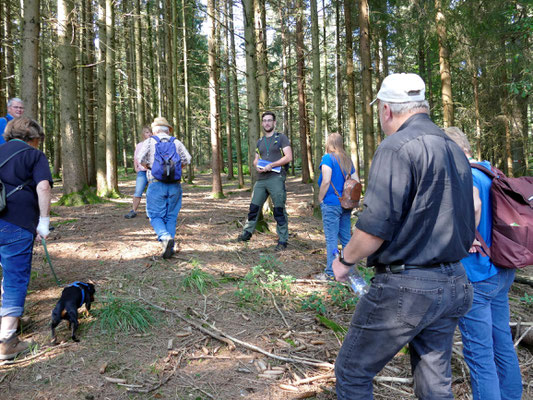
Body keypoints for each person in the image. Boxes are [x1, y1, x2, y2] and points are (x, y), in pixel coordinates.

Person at [332, 73, 475, 399]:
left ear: (386, 110)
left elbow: (373, 228)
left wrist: (344, 260)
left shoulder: (396, 148)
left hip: (408, 289)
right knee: (434, 382)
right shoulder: (454, 149)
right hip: (455, 282)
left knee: (352, 371)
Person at [444, 126, 523, 400]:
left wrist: (465, 236)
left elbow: (475, 205)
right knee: (502, 343)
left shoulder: (465, 175)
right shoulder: (490, 171)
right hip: (502, 270)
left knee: (480, 357)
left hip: (477, 276)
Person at [0, 117, 52, 360]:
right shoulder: (34, 155)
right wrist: (44, 220)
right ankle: (7, 340)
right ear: (33, 138)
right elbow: (43, 187)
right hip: (17, 223)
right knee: (15, 277)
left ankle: (9, 320)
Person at [237, 112, 293, 251]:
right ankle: (247, 233)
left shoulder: (281, 138)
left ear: (274, 123)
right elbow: (256, 158)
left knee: (279, 209)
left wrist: (271, 165)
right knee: (254, 207)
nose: (267, 123)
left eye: (269, 121)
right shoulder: (260, 141)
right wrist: (256, 165)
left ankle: (283, 240)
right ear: (262, 123)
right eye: (264, 121)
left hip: (276, 178)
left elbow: (288, 157)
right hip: (261, 179)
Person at [137, 117, 191, 259]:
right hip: (174, 184)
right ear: (168, 130)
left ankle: (165, 237)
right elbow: (187, 159)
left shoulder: (150, 141)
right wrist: (176, 169)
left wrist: (151, 167)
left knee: (155, 215)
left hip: (156, 183)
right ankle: (169, 246)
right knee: (171, 216)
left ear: (154, 130)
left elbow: (140, 159)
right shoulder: (176, 142)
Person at [316, 132, 358, 280]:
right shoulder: (347, 160)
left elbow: (326, 180)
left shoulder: (327, 158)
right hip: (345, 204)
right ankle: (349, 271)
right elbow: (356, 181)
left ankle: (331, 272)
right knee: (346, 238)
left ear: (329, 143)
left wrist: (320, 198)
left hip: (331, 203)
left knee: (332, 239)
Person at [124, 125, 153, 219]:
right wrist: (136, 167)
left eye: (150, 132)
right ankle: (133, 210)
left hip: (152, 171)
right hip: (141, 171)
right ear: (143, 134)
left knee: (151, 192)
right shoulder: (139, 145)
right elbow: (136, 157)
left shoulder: (155, 144)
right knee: (138, 191)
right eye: (147, 132)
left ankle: (150, 212)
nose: (149, 134)